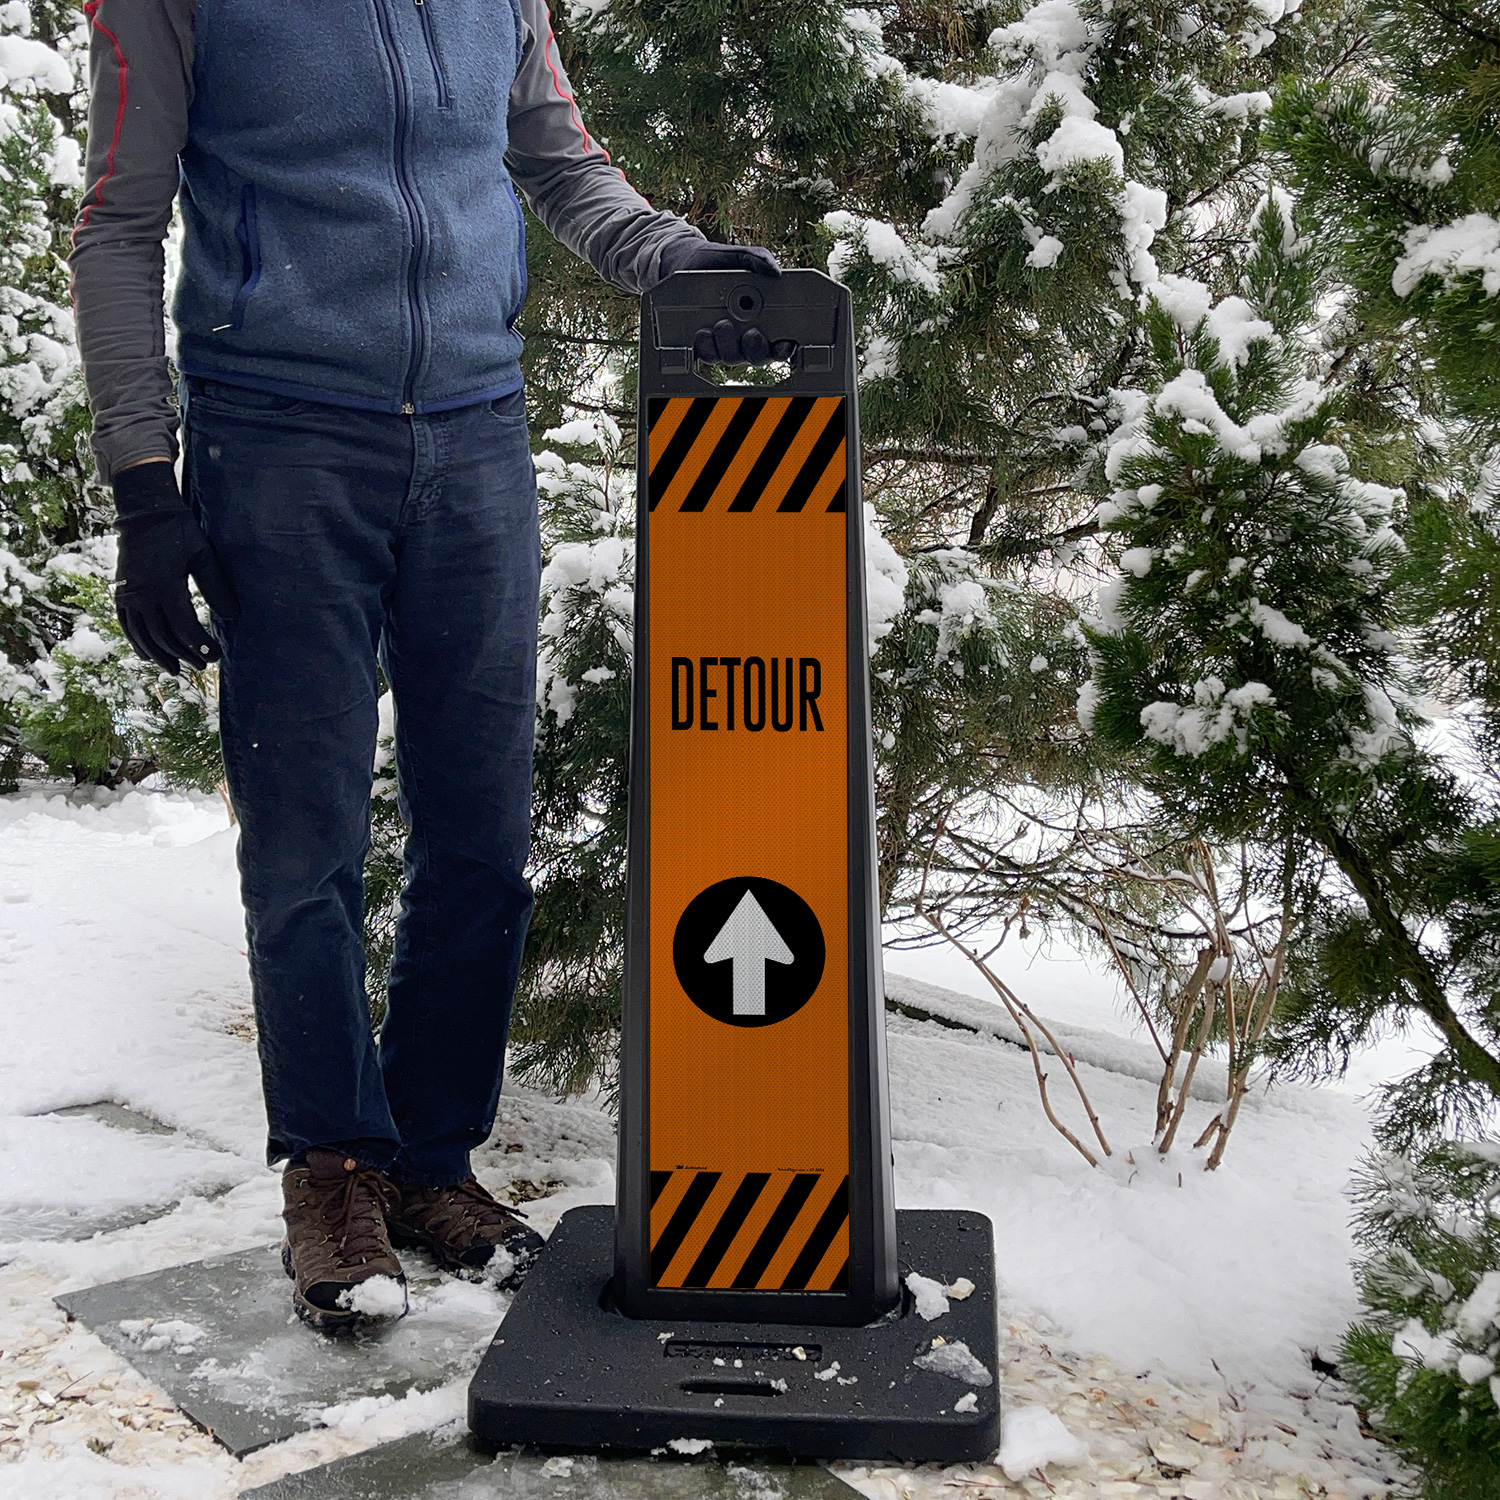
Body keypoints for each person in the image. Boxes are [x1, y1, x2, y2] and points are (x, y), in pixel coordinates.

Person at [72, 0, 780, 1333]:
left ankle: (430, 1160)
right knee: (306, 840)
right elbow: (118, 223)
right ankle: (331, 1171)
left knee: (481, 834)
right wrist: (143, 483)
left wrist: (673, 259)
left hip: (474, 434)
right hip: (278, 441)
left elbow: (558, 160)